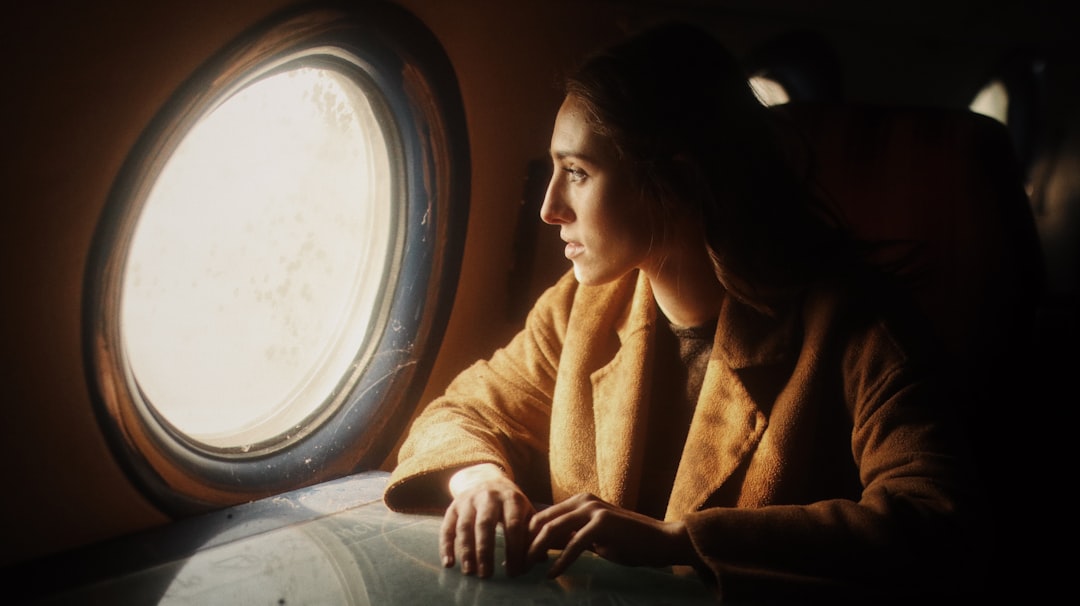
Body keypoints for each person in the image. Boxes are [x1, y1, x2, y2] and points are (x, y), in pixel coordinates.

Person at [383, 22, 983, 603]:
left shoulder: (858, 328)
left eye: (578, 172)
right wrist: (480, 480)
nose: (549, 208)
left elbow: (933, 518)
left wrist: (680, 542)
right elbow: (462, 411)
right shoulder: (583, 309)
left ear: (675, 180)